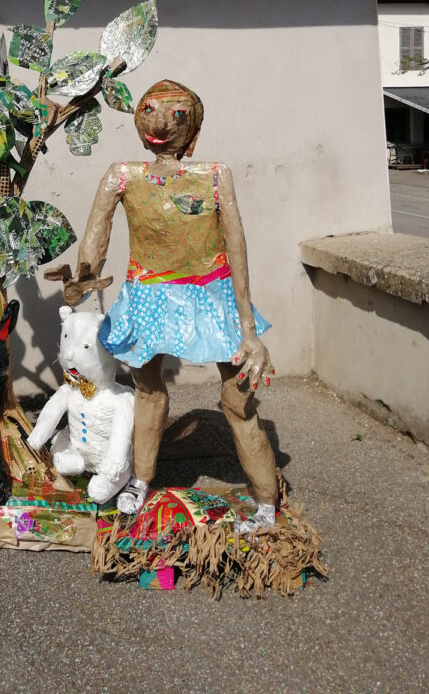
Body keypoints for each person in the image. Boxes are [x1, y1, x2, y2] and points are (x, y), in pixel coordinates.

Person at [52, 79, 278, 528]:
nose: (160, 123)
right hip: (148, 294)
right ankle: (141, 480)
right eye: (150, 110)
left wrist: (249, 331)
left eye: (176, 115)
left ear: (191, 128)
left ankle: (268, 503)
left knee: (237, 401)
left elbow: (237, 247)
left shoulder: (214, 175)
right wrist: (84, 274)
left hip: (210, 295)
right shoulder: (124, 175)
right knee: (149, 392)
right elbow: (98, 227)